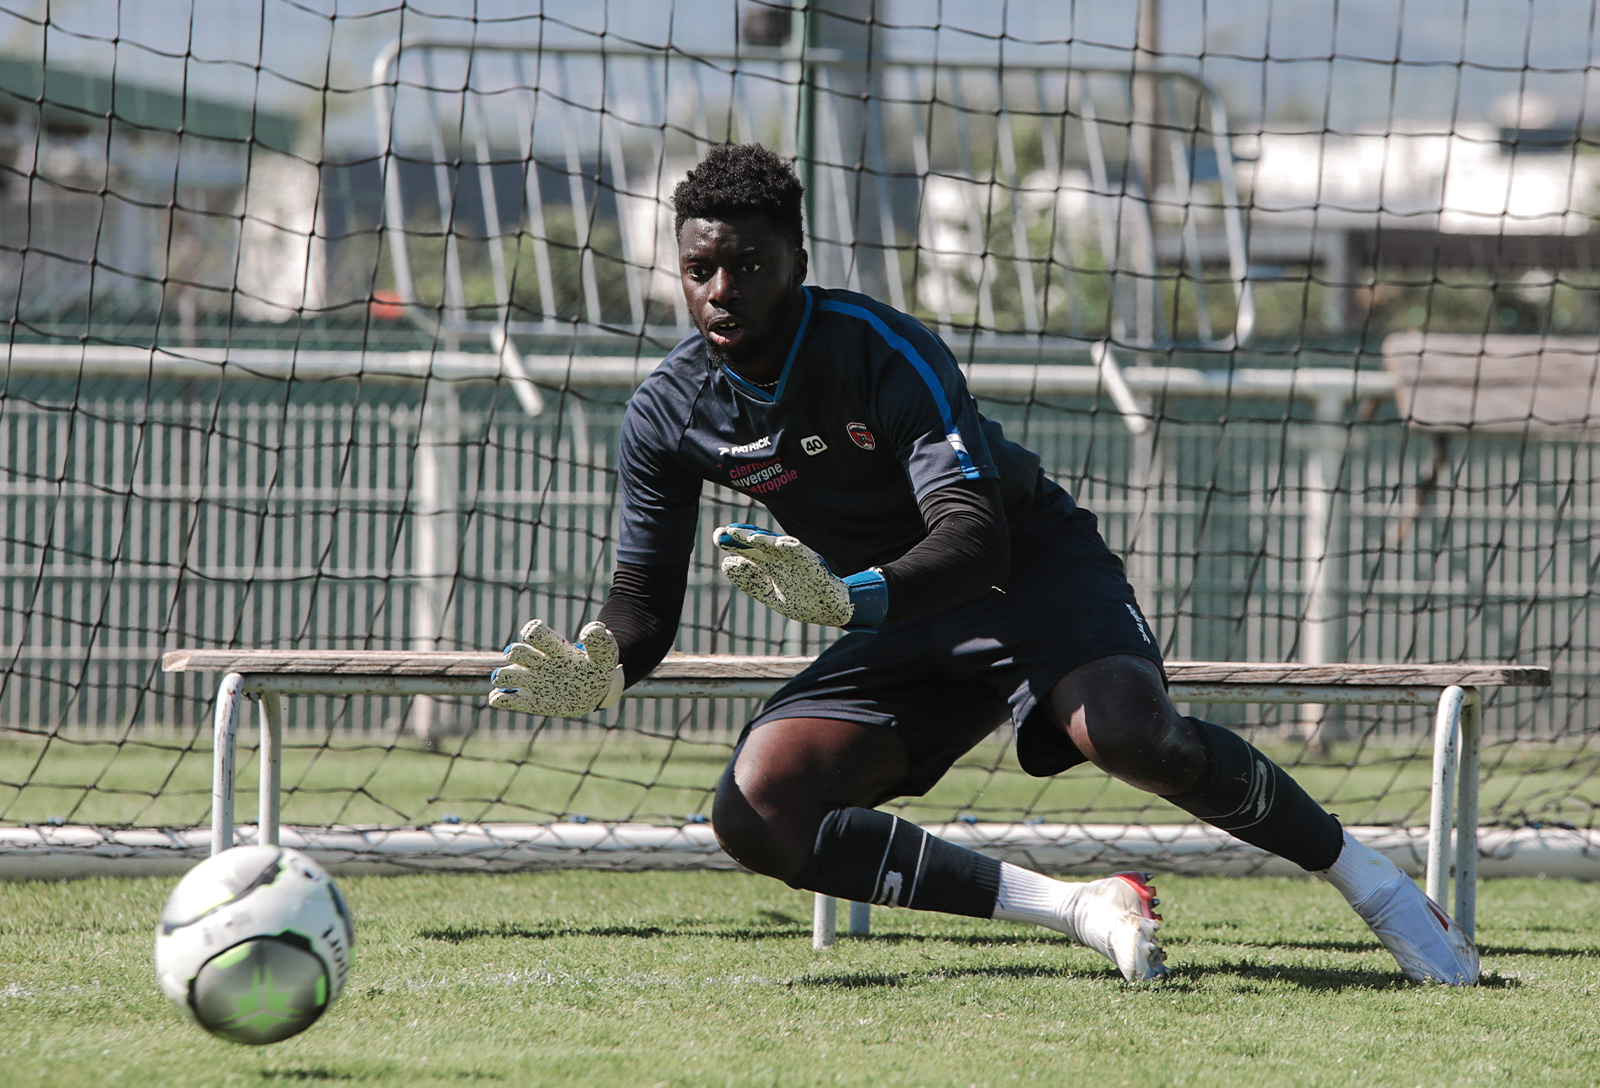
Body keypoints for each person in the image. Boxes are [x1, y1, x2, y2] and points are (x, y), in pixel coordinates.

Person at [487, 143, 1478, 985]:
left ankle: (1379, 886)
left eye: (746, 265)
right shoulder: (668, 410)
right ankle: (1079, 907)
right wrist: (603, 665)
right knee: (758, 810)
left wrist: (850, 596)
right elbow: (643, 600)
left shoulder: (880, 350)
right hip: (895, 615)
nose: (720, 291)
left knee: (1129, 734)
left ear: (798, 261)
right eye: (699, 269)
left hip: (1024, 572)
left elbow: (972, 534)